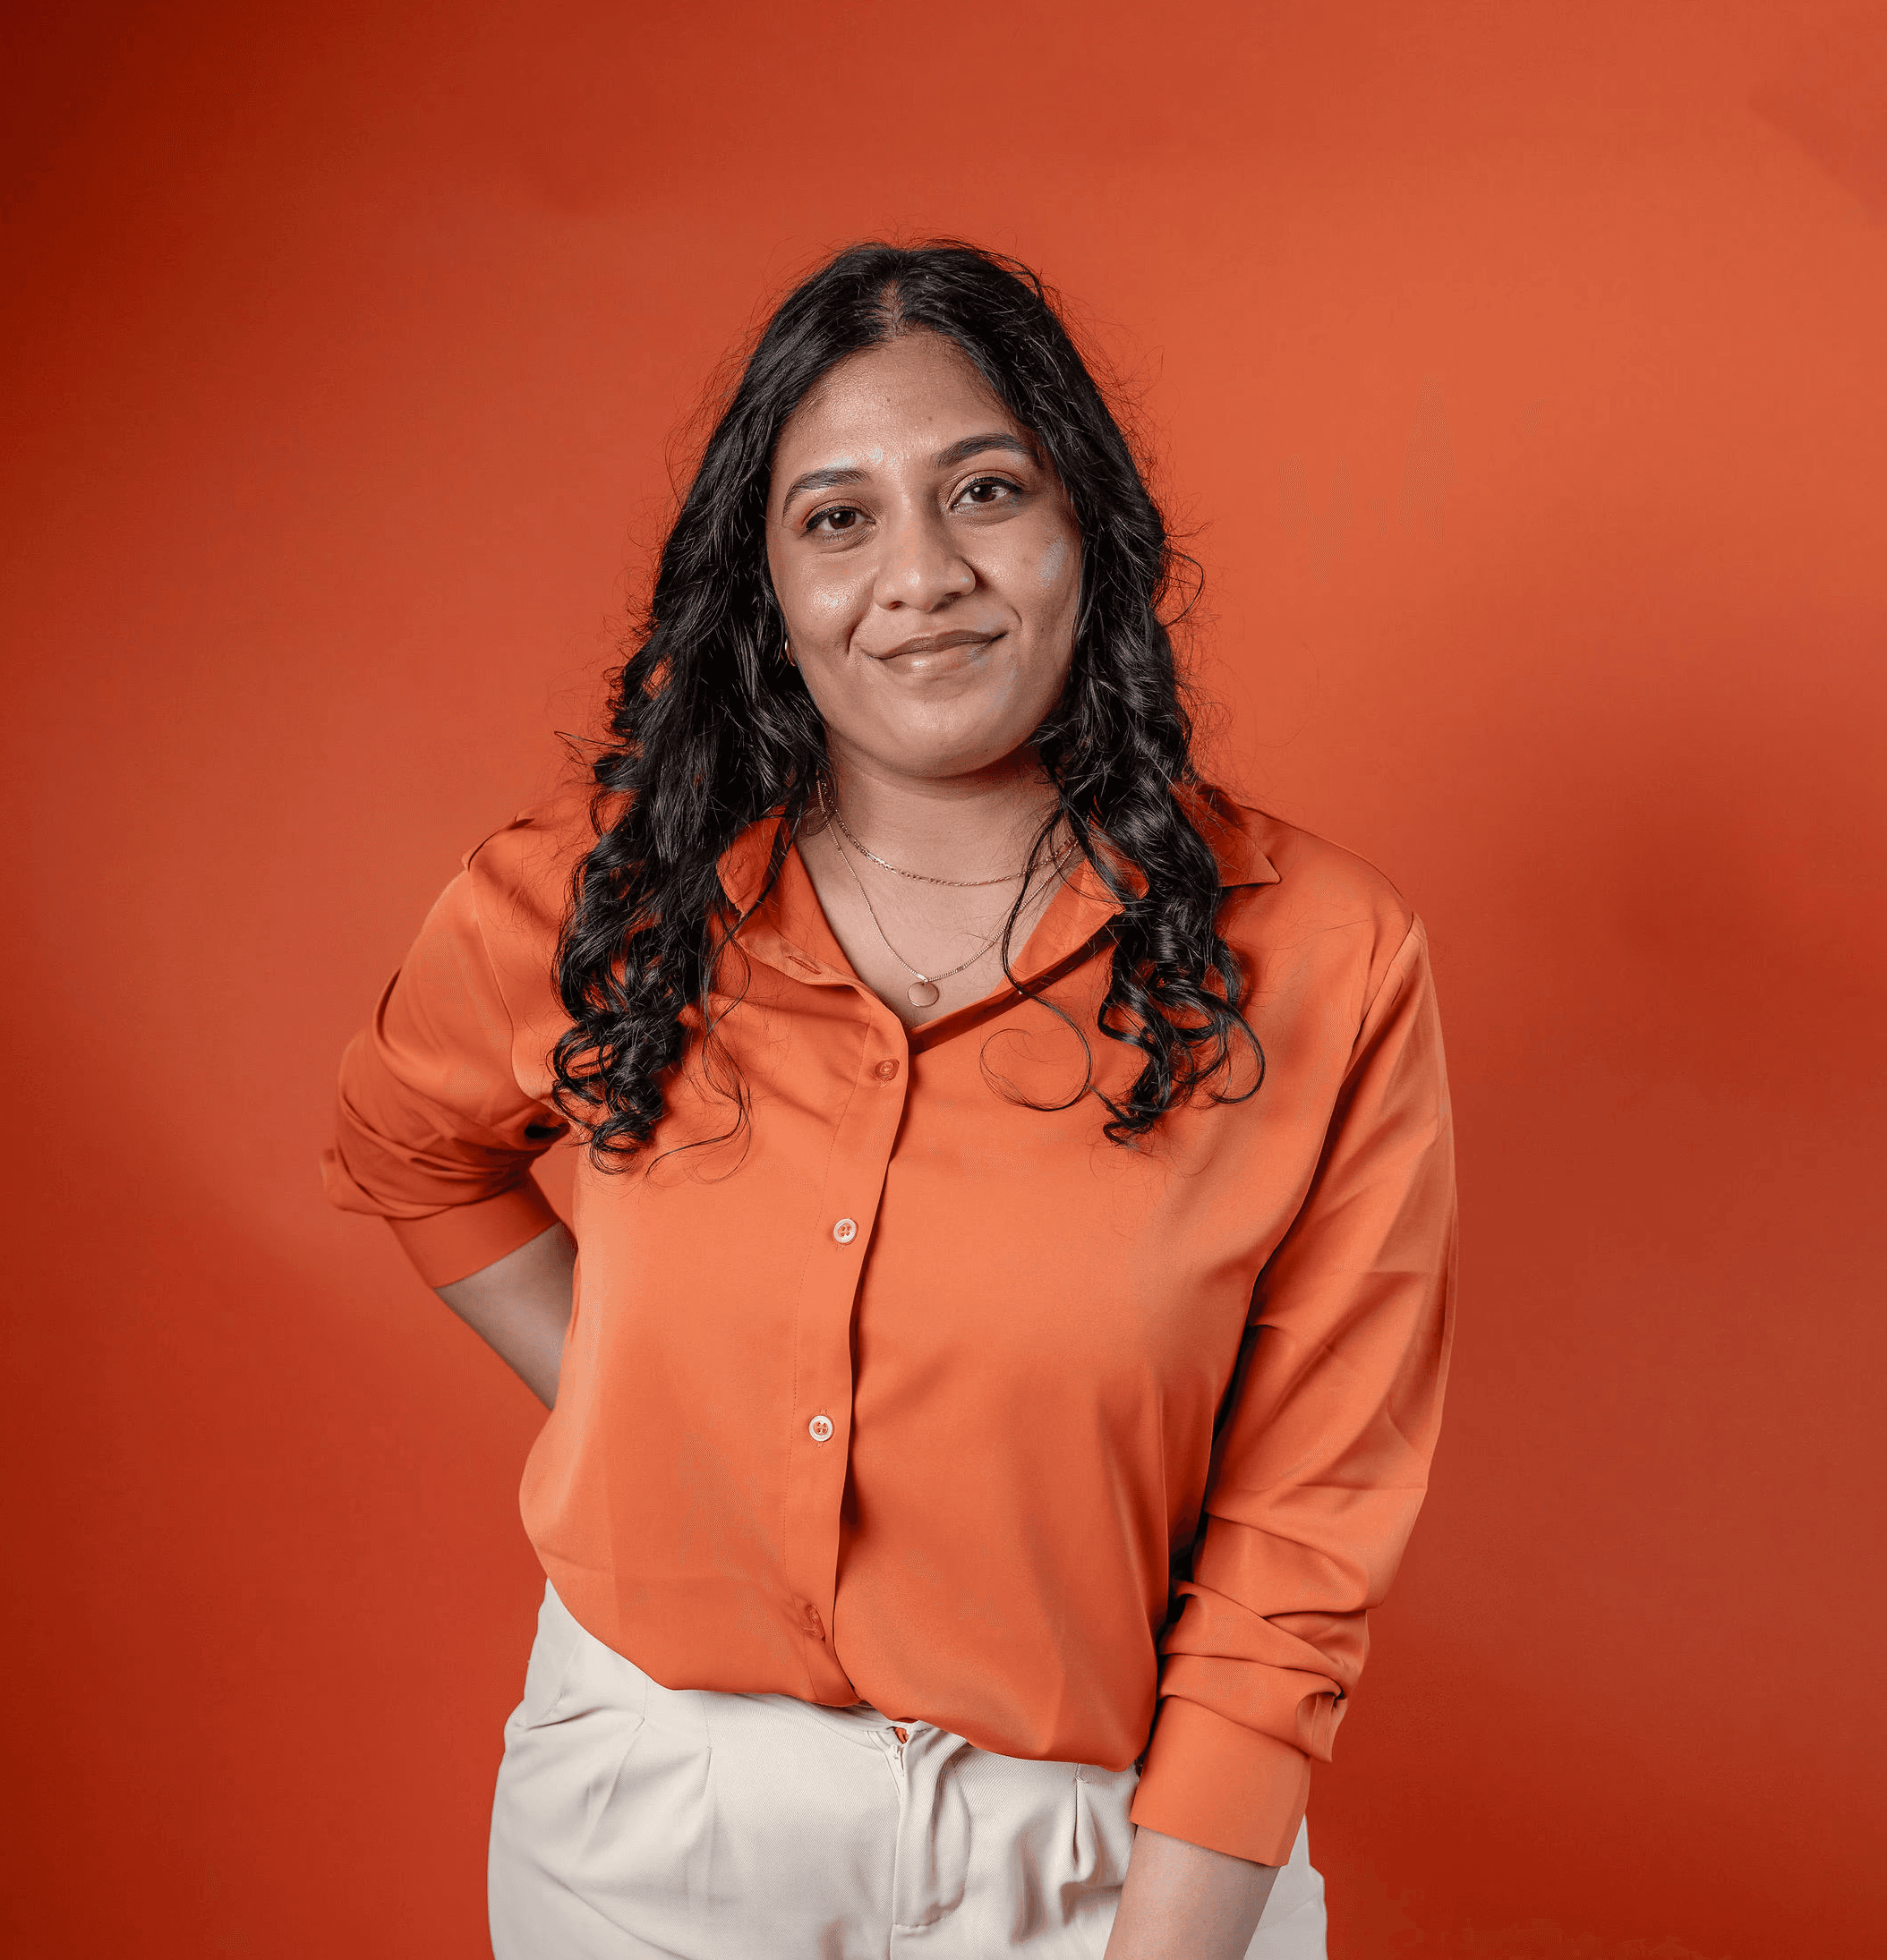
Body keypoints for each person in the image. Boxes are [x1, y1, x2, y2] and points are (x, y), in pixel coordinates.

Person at [324, 240, 1456, 1960]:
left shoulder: (1321, 958)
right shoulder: (608, 897)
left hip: (1100, 1860)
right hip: (644, 1837)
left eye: (983, 490)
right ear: (765, 587)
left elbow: (1303, 1527)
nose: (918, 574)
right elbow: (405, 1142)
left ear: (1089, 531)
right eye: (837, 517)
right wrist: (638, 1413)